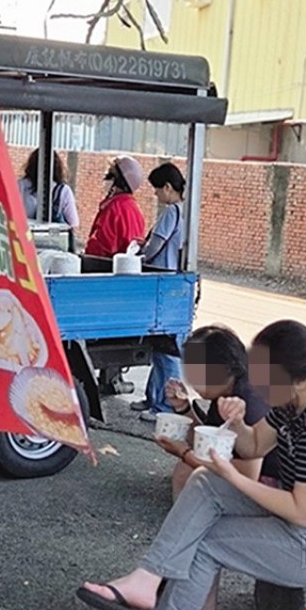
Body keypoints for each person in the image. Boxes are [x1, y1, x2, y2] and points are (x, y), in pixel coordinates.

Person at [77, 319, 306, 610]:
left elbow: (303, 512)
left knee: (207, 541)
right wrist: (237, 423)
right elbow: (254, 445)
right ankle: (148, 579)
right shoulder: (294, 400)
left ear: (297, 377)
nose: (256, 381)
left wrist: (233, 477)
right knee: (204, 483)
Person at [151, 324, 278, 610]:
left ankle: (185, 607)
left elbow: (246, 473)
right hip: (261, 484)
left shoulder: (250, 400)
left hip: (273, 491)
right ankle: (187, 608)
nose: (191, 379)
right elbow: (211, 442)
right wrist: (183, 409)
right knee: (190, 476)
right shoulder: (228, 393)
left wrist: (184, 453)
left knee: (195, 488)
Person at [130, 163, 187, 421]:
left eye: (157, 189)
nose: (155, 194)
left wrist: (138, 258)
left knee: (166, 350)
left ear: (167, 187)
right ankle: (154, 397)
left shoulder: (170, 212)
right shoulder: (182, 212)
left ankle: (164, 407)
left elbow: (156, 246)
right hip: (171, 284)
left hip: (163, 284)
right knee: (159, 347)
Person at [83, 156, 146, 258]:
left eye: (109, 175)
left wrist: (86, 255)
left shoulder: (114, 208)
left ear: (119, 182)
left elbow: (101, 245)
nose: (105, 179)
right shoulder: (134, 208)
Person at [19, 149, 79, 228]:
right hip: (51, 235)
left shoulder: (20, 185)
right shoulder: (63, 191)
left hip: (24, 233)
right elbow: (73, 223)